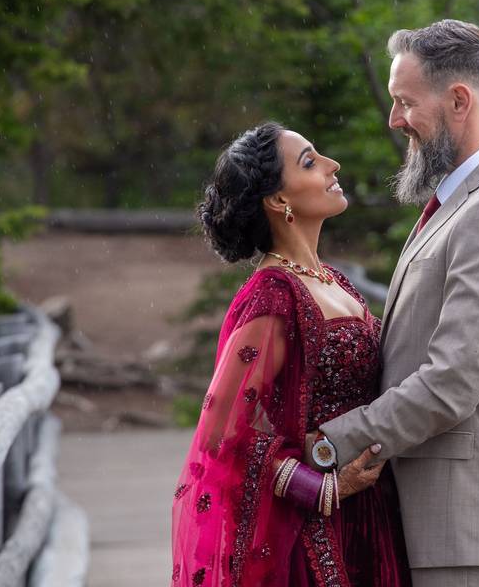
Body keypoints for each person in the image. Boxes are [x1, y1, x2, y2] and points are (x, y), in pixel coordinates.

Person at [311, 20, 479, 587]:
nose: (394, 119)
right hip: (439, 520)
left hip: (466, 526)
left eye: (405, 102)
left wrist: (329, 444)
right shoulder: (463, 203)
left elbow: (453, 380)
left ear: (458, 101)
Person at [170, 122, 412, 586]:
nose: (331, 165)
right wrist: (324, 488)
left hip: (371, 517)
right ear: (279, 201)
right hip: (317, 534)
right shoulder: (273, 296)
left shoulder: (334, 281)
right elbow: (225, 436)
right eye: (309, 161)